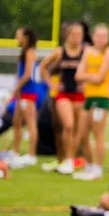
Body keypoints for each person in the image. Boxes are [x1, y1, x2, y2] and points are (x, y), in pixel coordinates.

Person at [39, 22, 85, 174]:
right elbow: (43, 67)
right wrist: (51, 84)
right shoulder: (60, 52)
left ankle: (69, 159)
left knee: (77, 130)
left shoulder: (86, 52)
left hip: (79, 94)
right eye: (74, 35)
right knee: (68, 126)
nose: (77, 38)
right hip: (63, 94)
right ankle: (68, 160)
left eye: (80, 35)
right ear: (68, 35)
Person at [73, 24, 109, 181]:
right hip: (88, 97)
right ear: (93, 37)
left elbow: (100, 78)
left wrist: (88, 76)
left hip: (101, 98)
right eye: (98, 36)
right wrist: (91, 76)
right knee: (83, 134)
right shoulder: (88, 51)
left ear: (108, 38)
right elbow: (78, 75)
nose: (100, 39)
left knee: (98, 134)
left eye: (104, 36)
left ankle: (97, 169)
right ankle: (89, 166)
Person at [6, 27, 39, 169]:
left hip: (28, 92)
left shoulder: (30, 52)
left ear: (25, 37)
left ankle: (32, 155)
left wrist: (16, 88)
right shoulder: (24, 51)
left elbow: (27, 75)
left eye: (18, 35)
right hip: (22, 92)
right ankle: (15, 151)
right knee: (16, 121)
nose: (16, 38)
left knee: (30, 122)